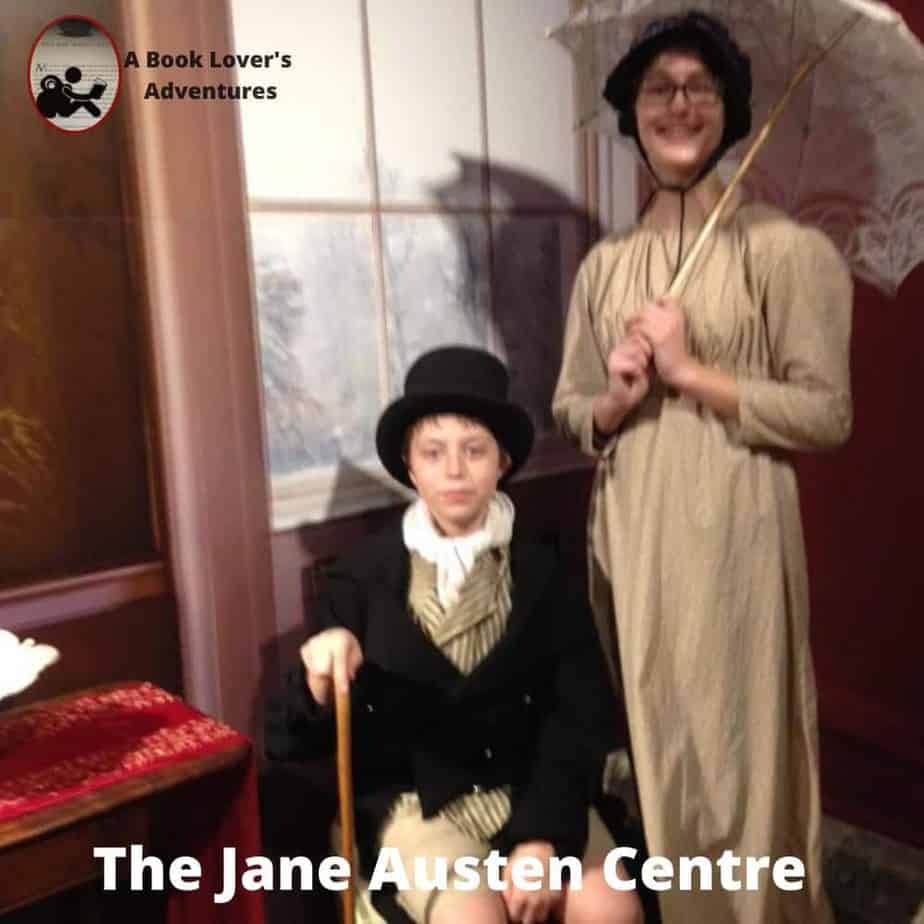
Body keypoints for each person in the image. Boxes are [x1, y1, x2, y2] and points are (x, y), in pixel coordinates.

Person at [552, 11, 851, 924]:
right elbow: (572, 409)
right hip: (635, 540)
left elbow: (827, 414)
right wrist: (613, 398)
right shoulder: (606, 268)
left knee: (744, 748)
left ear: (730, 110)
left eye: (700, 87)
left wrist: (689, 373)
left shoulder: (785, 251)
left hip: (737, 538)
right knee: (664, 748)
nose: (679, 104)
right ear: (630, 111)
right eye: (658, 88)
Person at [266, 345, 643, 924]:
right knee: (473, 919)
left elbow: (578, 718)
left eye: (474, 451)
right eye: (434, 453)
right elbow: (290, 738)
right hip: (418, 802)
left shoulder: (544, 571)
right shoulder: (362, 577)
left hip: (530, 785)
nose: (455, 470)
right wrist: (321, 675)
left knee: (609, 909)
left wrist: (541, 839)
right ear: (410, 467)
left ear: (503, 461)